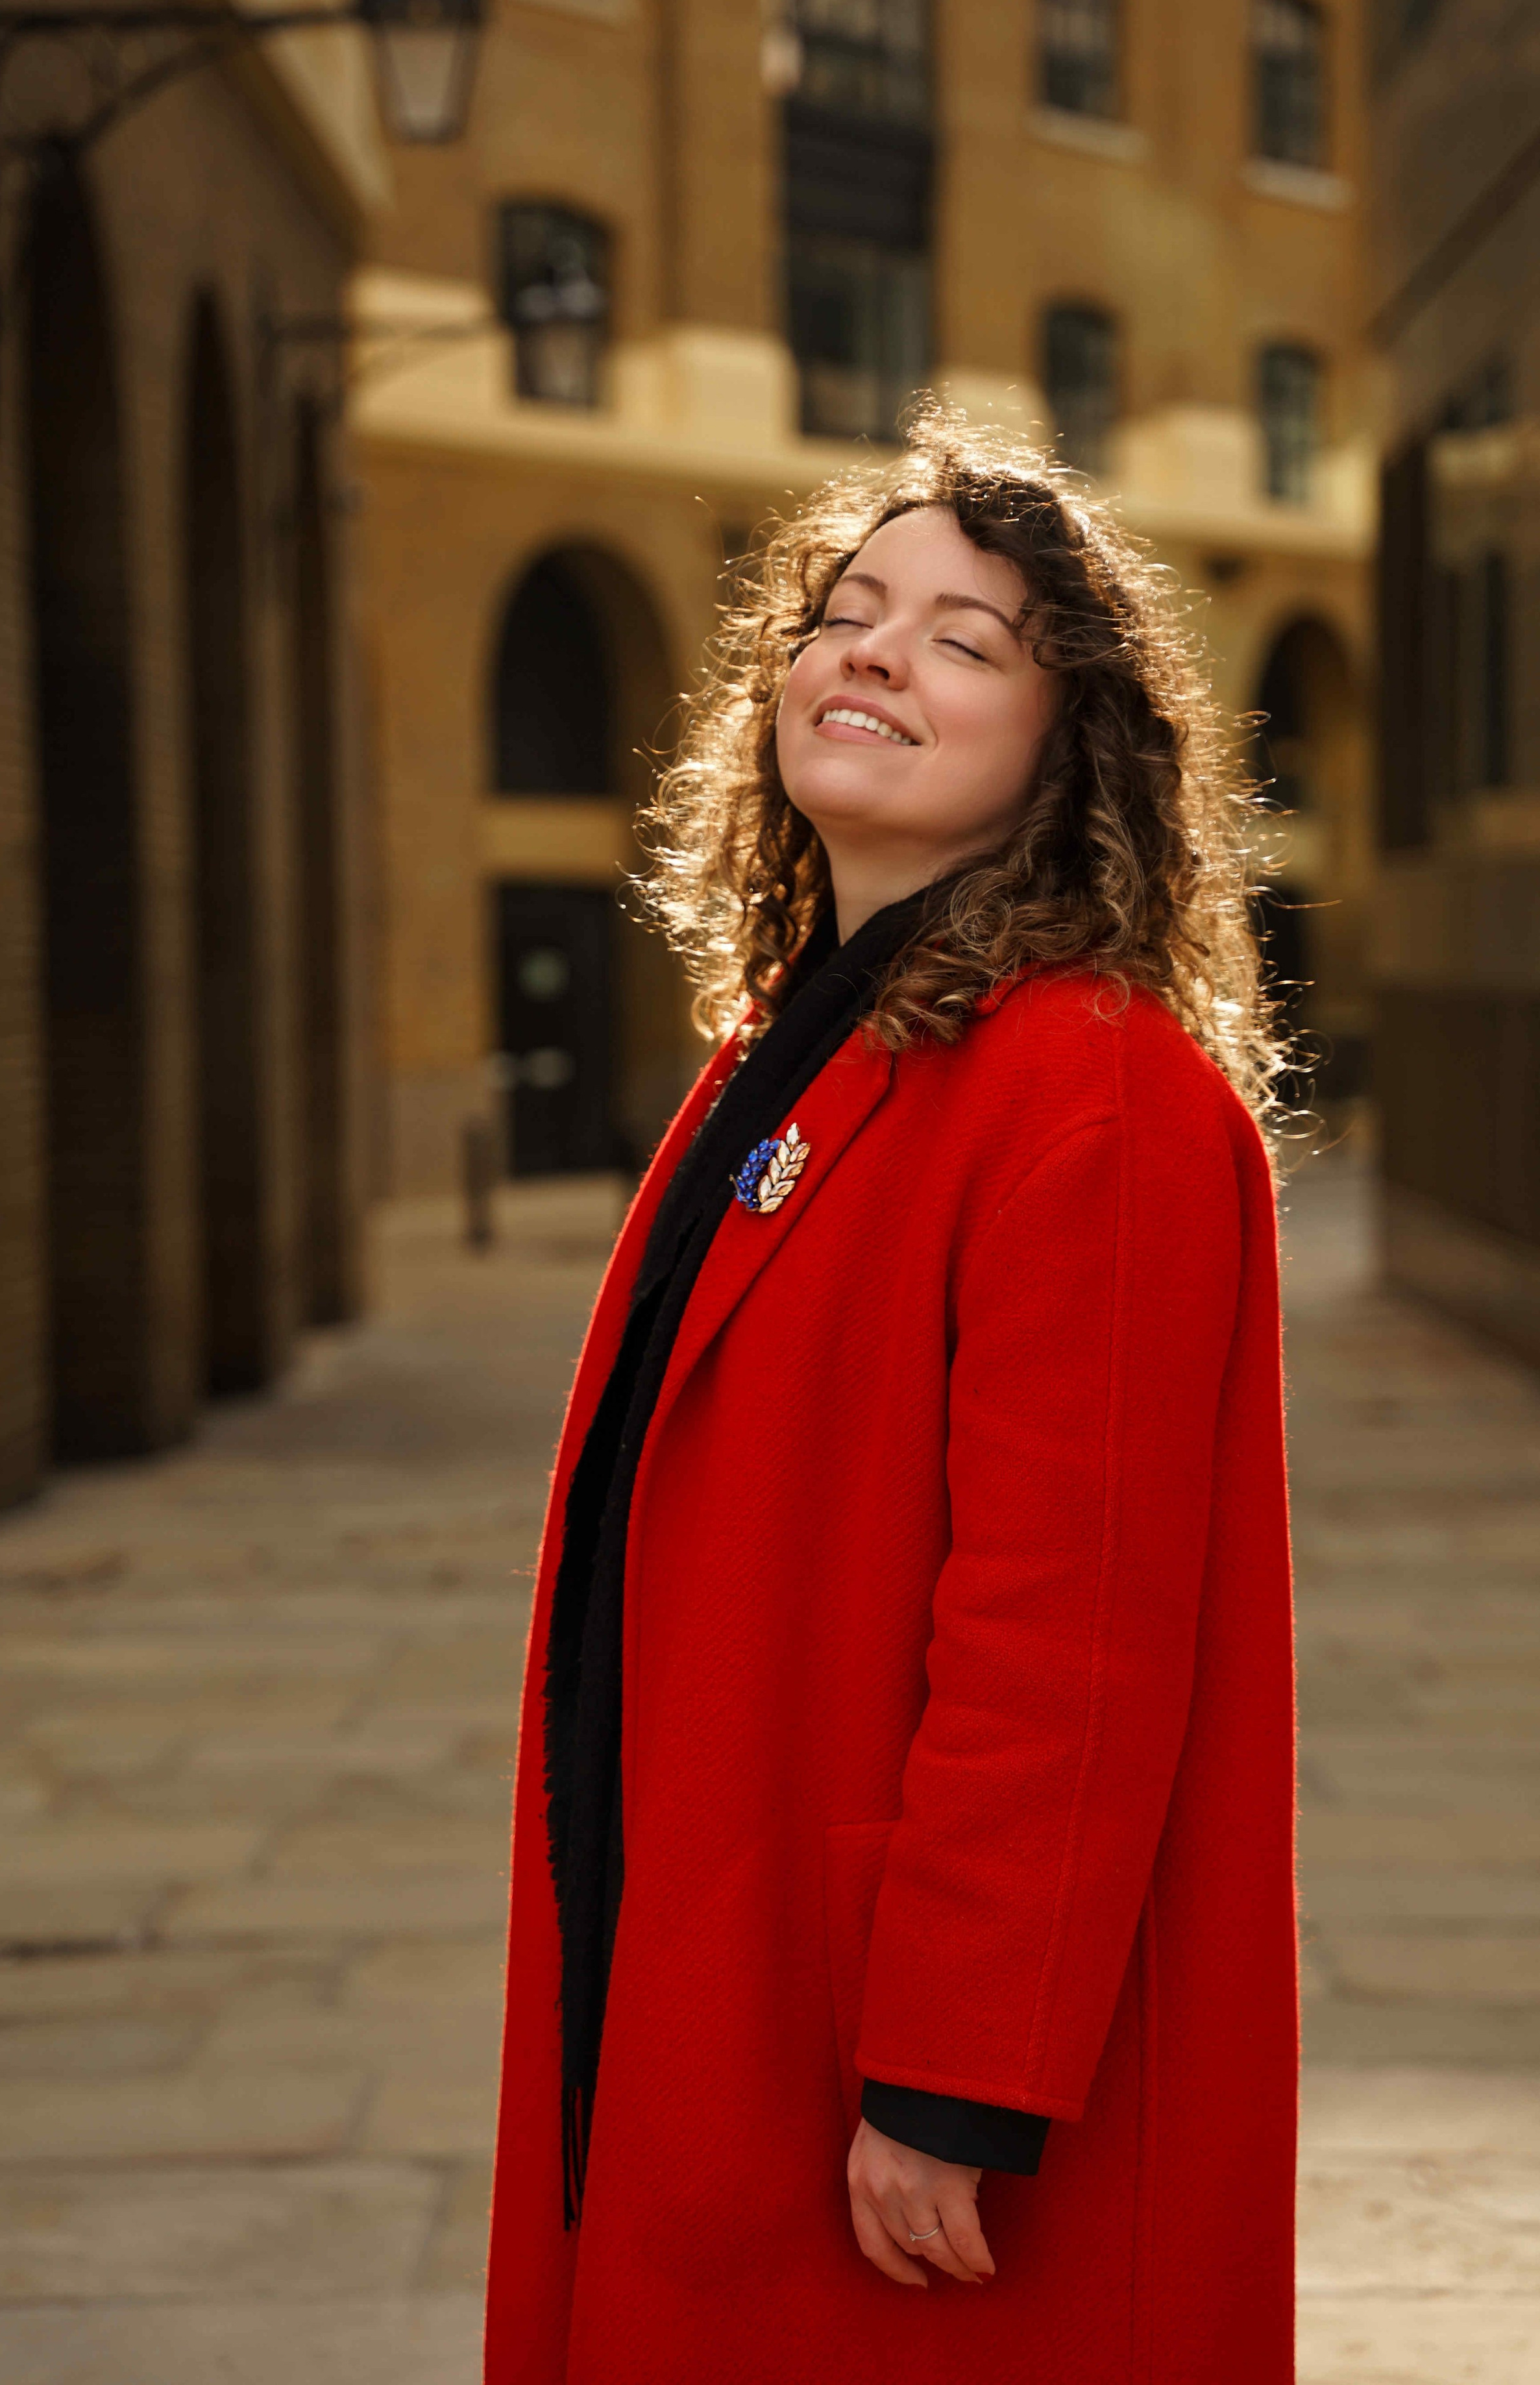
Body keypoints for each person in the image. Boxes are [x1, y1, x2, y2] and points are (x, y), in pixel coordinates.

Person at [484, 406, 1297, 2384]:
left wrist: (957, 2071)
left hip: (890, 2056)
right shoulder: (802, 1048)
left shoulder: (1087, 1087)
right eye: (848, 611)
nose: (870, 650)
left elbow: (1070, 1628)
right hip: (706, 1961)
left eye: (963, 638)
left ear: (1069, 743)